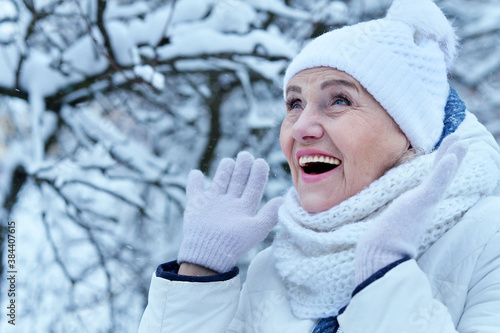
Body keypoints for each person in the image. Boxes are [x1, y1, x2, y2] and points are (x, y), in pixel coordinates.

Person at [139, 0, 500, 332]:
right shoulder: (279, 267)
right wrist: (199, 273)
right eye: (295, 104)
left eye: (339, 100)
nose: (300, 127)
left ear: (408, 131)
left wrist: (387, 279)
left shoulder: (488, 241)